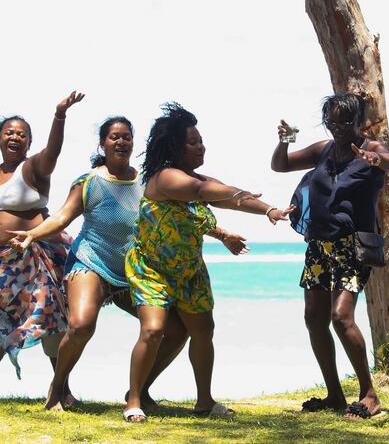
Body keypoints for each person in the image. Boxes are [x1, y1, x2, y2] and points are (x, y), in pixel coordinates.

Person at [9, 116, 229, 411]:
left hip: (132, 270)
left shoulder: (145, 181)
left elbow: (178, 217)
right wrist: (32, 235)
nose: (121, 141)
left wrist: (223, 234)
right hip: (92, 262)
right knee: (81, 325)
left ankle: (140, 392)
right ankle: (58, 387)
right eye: (114, 137)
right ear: (103, 144)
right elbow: (62, 218)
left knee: (176, 331)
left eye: (126, 137)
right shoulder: (89, 182)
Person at [122, 103, 293, 423]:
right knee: (154, 329)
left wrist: (261, 214)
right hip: (151, 268)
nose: (201, 146)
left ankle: (204, 401)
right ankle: (133, 400)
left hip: (189, 270)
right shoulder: (166, 178)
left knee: (201, 331)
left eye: (201, 140)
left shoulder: (193, 178)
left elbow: (201, 209)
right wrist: (245, 199)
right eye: (192, 142)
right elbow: (207, 193)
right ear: (175, 147)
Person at [0, 91, 83, 401]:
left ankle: (63, 390)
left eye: (21, 134)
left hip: (35, 259)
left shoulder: (35, 167)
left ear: (28, 143)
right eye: (9, 132)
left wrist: (59, 114)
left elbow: (54, 150)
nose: (14, 137)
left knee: (49, 320)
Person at [271, 93, 389, 419]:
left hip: (352, 247)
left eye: (345, 121)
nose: (338, 127)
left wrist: (376, 161)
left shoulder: (372, 148)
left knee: (341, 317)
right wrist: (285, 140)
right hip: (319, 247)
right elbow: (280, 165)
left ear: (358, 121)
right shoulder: (323, 150)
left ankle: (369, 394)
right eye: (333, 121)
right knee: (314, 318)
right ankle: (334, 394)